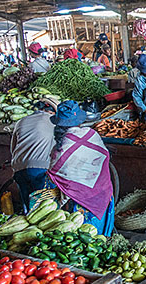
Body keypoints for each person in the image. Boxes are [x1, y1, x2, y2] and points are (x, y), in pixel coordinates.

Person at [48, 101, 115, 236]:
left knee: (83, 240)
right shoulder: (92, 134)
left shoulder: (59, 148)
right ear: (79, 120)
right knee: (100, 239)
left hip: (79, 199)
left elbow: (55, 175)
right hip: (102, 192)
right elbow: (104, 156)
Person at [10, 98, 58, 210]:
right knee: (45, 210)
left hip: (19, 168)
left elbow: (13, 147)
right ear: (52, 111)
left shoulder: (21, 121)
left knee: (28, 207)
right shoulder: (54, 122)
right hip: (40, 170)